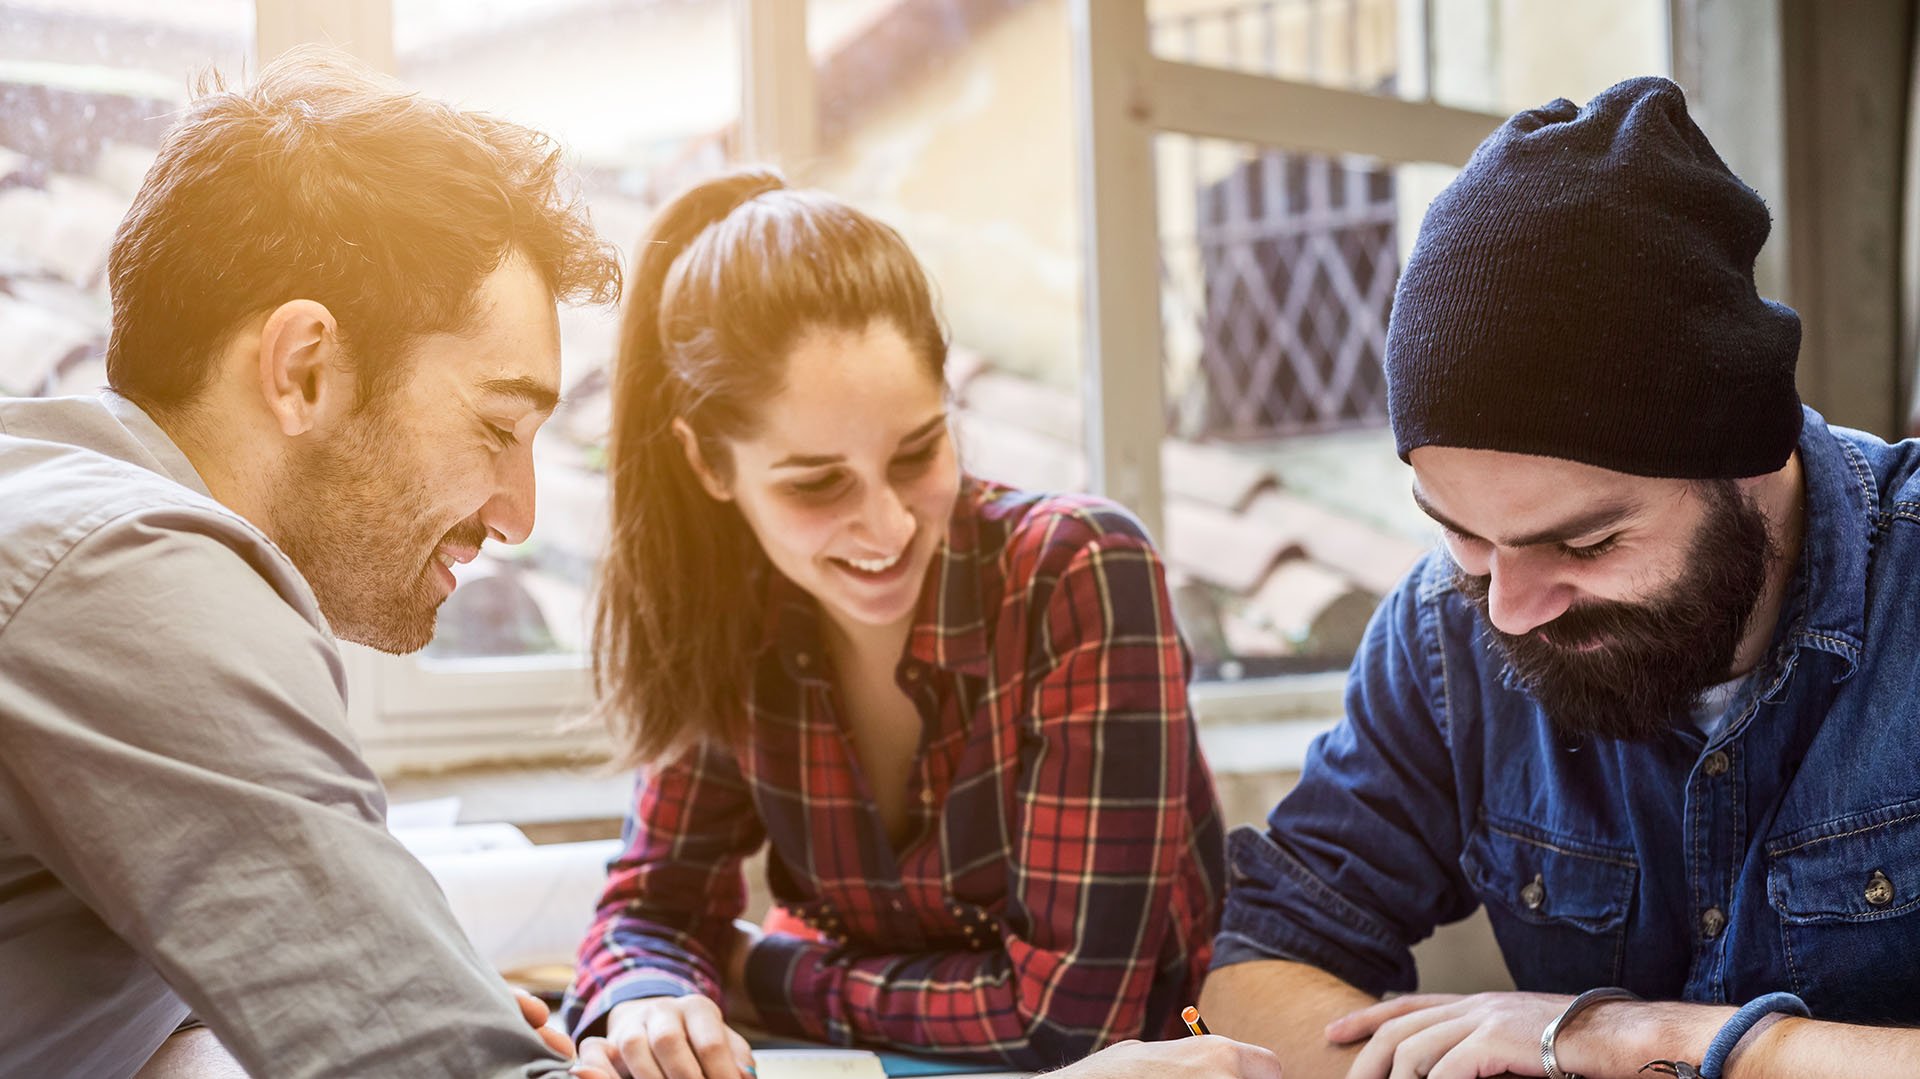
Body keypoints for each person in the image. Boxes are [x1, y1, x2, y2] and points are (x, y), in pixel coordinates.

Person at [1198, 75, 1920, 1079]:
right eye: (1462, 533)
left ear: (1748, 461)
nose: (1506, 604)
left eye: (1583, 545)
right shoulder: (1440, 630)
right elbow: (1260, 961)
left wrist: (1643, 1036)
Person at [0, 49, 624, 1078]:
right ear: (303, 369)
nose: (519, 513)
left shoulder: (55, 492)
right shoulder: (129, 573)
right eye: (495, 424)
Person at [562, 171, 1267, 1079]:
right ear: (709, 464)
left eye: (917, 451)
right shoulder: (727, 613)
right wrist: (648, 999)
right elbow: (648, 911)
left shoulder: (1081, 570)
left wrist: (755, 968)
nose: (889, 525)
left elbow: (1066, 1026)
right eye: (817, 483)